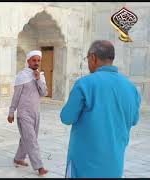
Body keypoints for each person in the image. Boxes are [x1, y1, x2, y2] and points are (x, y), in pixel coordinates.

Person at [60, 40, 141, 178]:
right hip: (114, 165)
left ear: (93, 57)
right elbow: (134, 120)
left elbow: (66, 117)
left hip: (84, 165)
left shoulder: (85, 83)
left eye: (87, 59)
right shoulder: (131, 87)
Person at [7, 50, 49, 176]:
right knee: (31, 140)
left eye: (38, 60)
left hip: (36, 113)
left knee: (28, 138)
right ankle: (39, 166)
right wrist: (11, 112)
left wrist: (37, 79)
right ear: (28, 61)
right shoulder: (22, 76)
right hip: (23, 113)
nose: (36, 63)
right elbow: (16, 96)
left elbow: (44, 93)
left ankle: (18, 158)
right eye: (34, 60)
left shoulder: (40, 76)